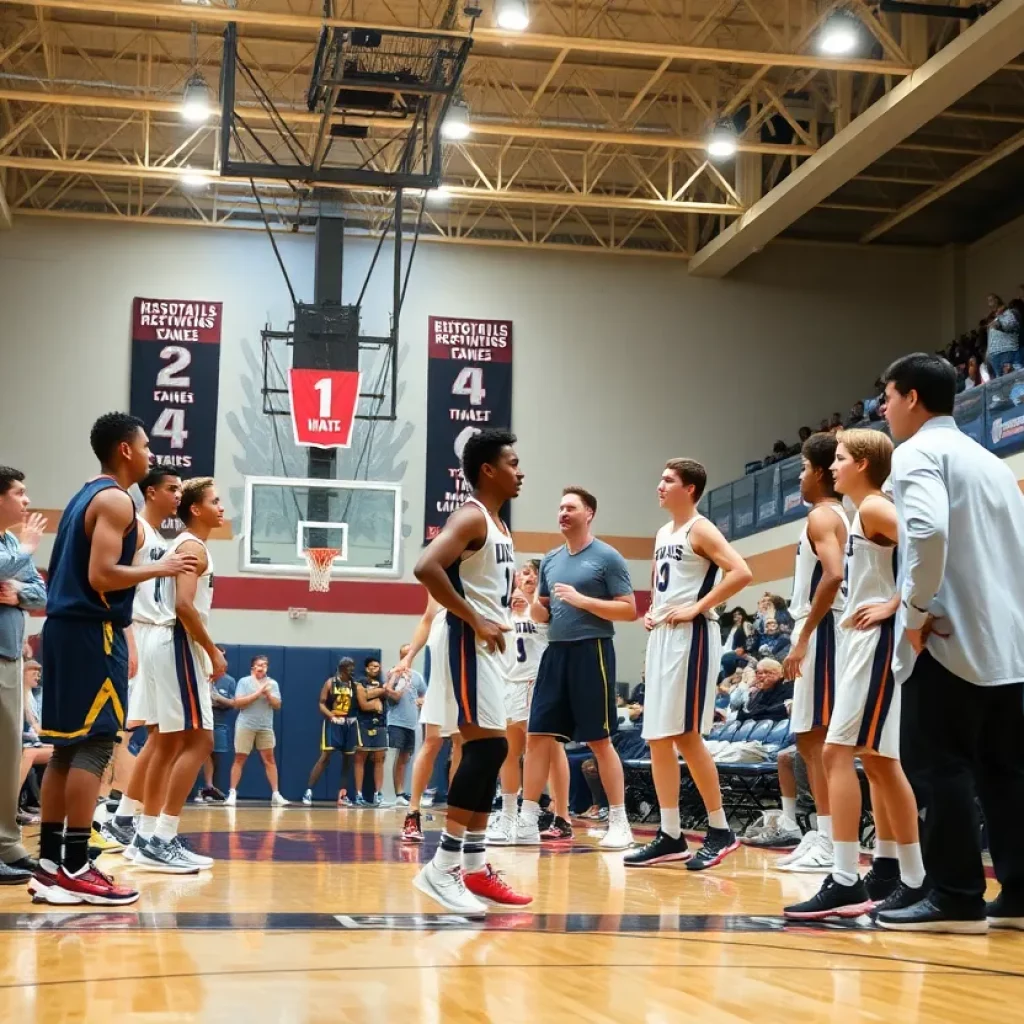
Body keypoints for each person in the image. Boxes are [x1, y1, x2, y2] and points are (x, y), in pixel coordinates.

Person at [874, 353, 1024, 933]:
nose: (883, 408)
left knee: (940, 769)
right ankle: (1017, 894)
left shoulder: (916, 454)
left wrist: (912, 611)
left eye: (888, 397)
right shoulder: (992, 461)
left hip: (947, 636)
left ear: (912, 398)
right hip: (1007, 642)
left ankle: (956, 895)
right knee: (1005, 772)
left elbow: (927, 532)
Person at [31, 413, 196, 906]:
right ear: (125, 450)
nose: (149, 453)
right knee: (96, 746)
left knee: (65, 749)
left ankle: (50, 864)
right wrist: (160, 567)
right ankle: (79, 865)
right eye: (145, 445)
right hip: (89, 633)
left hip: (62, 630)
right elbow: (102, 576)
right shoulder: (115, 500)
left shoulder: (87, 493)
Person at [784, 429, 925, 921]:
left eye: (841, 458)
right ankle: (908, 877)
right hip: (864, 642)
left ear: (863, 464)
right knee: (880, 763)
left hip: (876, 641)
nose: (833, 467)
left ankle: (846, 877)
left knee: (838, 752)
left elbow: (930, 546)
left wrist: (894, 603)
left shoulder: (873, 508)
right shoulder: (862, 513)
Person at [412, 428, 531, 914]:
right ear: (488, 469)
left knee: (493, 747)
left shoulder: (500, 526)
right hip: (468, 642)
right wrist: (475, 617)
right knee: (488, 748)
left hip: (490, 647)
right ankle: (442, 867)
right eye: (512, 462)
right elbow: (426, 567)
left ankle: (477, 866)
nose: (519, 471)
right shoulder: (470, 516)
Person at [625, 459, 752, 869]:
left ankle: (720, 830)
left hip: (692, 635)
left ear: (690, 489)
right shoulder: (664, 532)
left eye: (668, 480)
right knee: (659, 738)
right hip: (663, 634)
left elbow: (741, 572)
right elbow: (660, 583)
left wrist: (696, 607)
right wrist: (652, 611)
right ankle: (670, 834)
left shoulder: (702, 528)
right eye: (660, 478)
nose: (659, 485)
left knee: (685, 735)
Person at [519, 486, 637, 851]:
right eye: (560, 508)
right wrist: (529, 601)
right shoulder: (551, 559)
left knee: (599, 741)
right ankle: (526, 817)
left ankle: (619, 820)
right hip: (555, 653)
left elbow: (629, 609)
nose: (563, 513)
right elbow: (542, 612)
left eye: (571, 507)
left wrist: (583, 600)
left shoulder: (608, 557)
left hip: (593, 651)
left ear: (589, 513)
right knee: (537, 735)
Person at [131, 476, 225, 873]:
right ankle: (163, 837)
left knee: (168, 744)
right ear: (195, 509)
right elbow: (185, 606)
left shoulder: (183, 545)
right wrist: (212, 651)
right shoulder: (191, 546)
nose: (222, 508)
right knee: (201, 740)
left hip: (163, 641)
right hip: (177, 642)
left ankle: (146, 836)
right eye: (216, 501)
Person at [776, 433, 848, 875]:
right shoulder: (835, 513)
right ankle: (822, 835)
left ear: (819, 471)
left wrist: (803, 636)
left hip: (822, 633)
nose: (800, 476)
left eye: (803, 468)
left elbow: (835, 574)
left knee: (819, 738)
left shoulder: (823, 515)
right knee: (808, 739)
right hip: (818, 630)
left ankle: (830, 842)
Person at [102, 465, 182, 849]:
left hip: (154, 634)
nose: (178, 495)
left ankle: (122, 816)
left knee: (156, 733)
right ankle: (114, 813)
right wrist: (130, 639)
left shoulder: (161, 537)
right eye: (172, 488)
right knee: (139, 731)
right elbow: (115, 586)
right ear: (151, 493)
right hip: (138, 632)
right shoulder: (133, 527)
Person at [0, 466, 47, 885]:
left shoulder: (12, 542)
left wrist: (18, 592)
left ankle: (7, 843)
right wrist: (25, 552)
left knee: (8, 755)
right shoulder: (20, 546)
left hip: (11, 656)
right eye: (19, 492)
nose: (27, 501)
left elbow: (41, 592)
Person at [395, 595, 464, 843]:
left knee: (460, 743)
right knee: (432, 742)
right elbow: (426, 620)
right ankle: (413, 812)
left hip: (465, 677)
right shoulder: (438, 586)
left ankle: (456, 815)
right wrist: (409, 656)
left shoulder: (476, 581)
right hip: (439, 681)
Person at [226, 655, 287, 806]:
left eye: (265, 664)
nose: (262, 667)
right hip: (246, 725)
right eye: (259, 664)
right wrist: (258, 693)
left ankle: (275, 794)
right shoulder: (244, 682)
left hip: (265, 726)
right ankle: (232, 793)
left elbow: (278, 705)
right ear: (253, 667)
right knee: (240, 758)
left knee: (270, 760)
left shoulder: (272, 683)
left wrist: (267, 695)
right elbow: (238, 703)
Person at [303, 658, 358, 806]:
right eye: (349, 667)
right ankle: (308, 791)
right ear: (342, 668)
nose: (352, 669)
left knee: (348, 760)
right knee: (325, 757)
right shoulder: (331, 682)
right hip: (334, 721)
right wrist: (332, 716)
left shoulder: (354, 684)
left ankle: (342, 795)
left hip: (349, 722)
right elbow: (321, 703)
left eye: (353, 666)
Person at [383, 647, 426, 807]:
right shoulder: (393, 673)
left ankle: (405, 793)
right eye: (404, 653)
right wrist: (393, 685)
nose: (407, 655)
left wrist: (422, 700)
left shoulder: (417, 676)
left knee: (406, 757)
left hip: (411, 722)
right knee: (399, 756)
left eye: (409, 653)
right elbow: (388, 692)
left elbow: (424, 693)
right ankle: (398, 794)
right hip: (396, 721)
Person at [353, 658, 388, 806]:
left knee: (379, 759)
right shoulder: (359, 681)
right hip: (363, 723)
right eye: (373, 666)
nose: (376, 669)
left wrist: (374, 694)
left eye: (378, 666)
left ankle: (377, 794)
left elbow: (390, 694)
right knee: (360, 757)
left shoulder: (383, 682)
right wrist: (377, 696)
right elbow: (363, 701)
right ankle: (359, 795)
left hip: (380, 723)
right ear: (367, 668)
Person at [199, 659, 234, 803]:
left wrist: (218, 699)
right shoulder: (201, 676)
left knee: (214, 755)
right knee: (200, 754)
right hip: (199, 722)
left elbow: (234, 702)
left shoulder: (229, 681)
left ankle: (210, 788)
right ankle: (201, 788)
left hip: (217, 722)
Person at [735, 659, 793, 724]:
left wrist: (754, 713)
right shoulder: (755, 693)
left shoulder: (788, 688)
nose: (763, 676)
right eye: (759, 673)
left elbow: (777, 712)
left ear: (781, 674)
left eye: (768, 672)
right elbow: (741, 716)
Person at [984, 293, 1020, 376]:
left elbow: (1010, 324)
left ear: (997, 300)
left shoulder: (1009, 312)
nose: (989, 303)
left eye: (991, 300)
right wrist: (987, 354)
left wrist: (999, 324)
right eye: (988, 301)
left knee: (1010, 381)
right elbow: (991, 339)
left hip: (1006, 353)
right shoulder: (994, 318)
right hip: (994, 356)